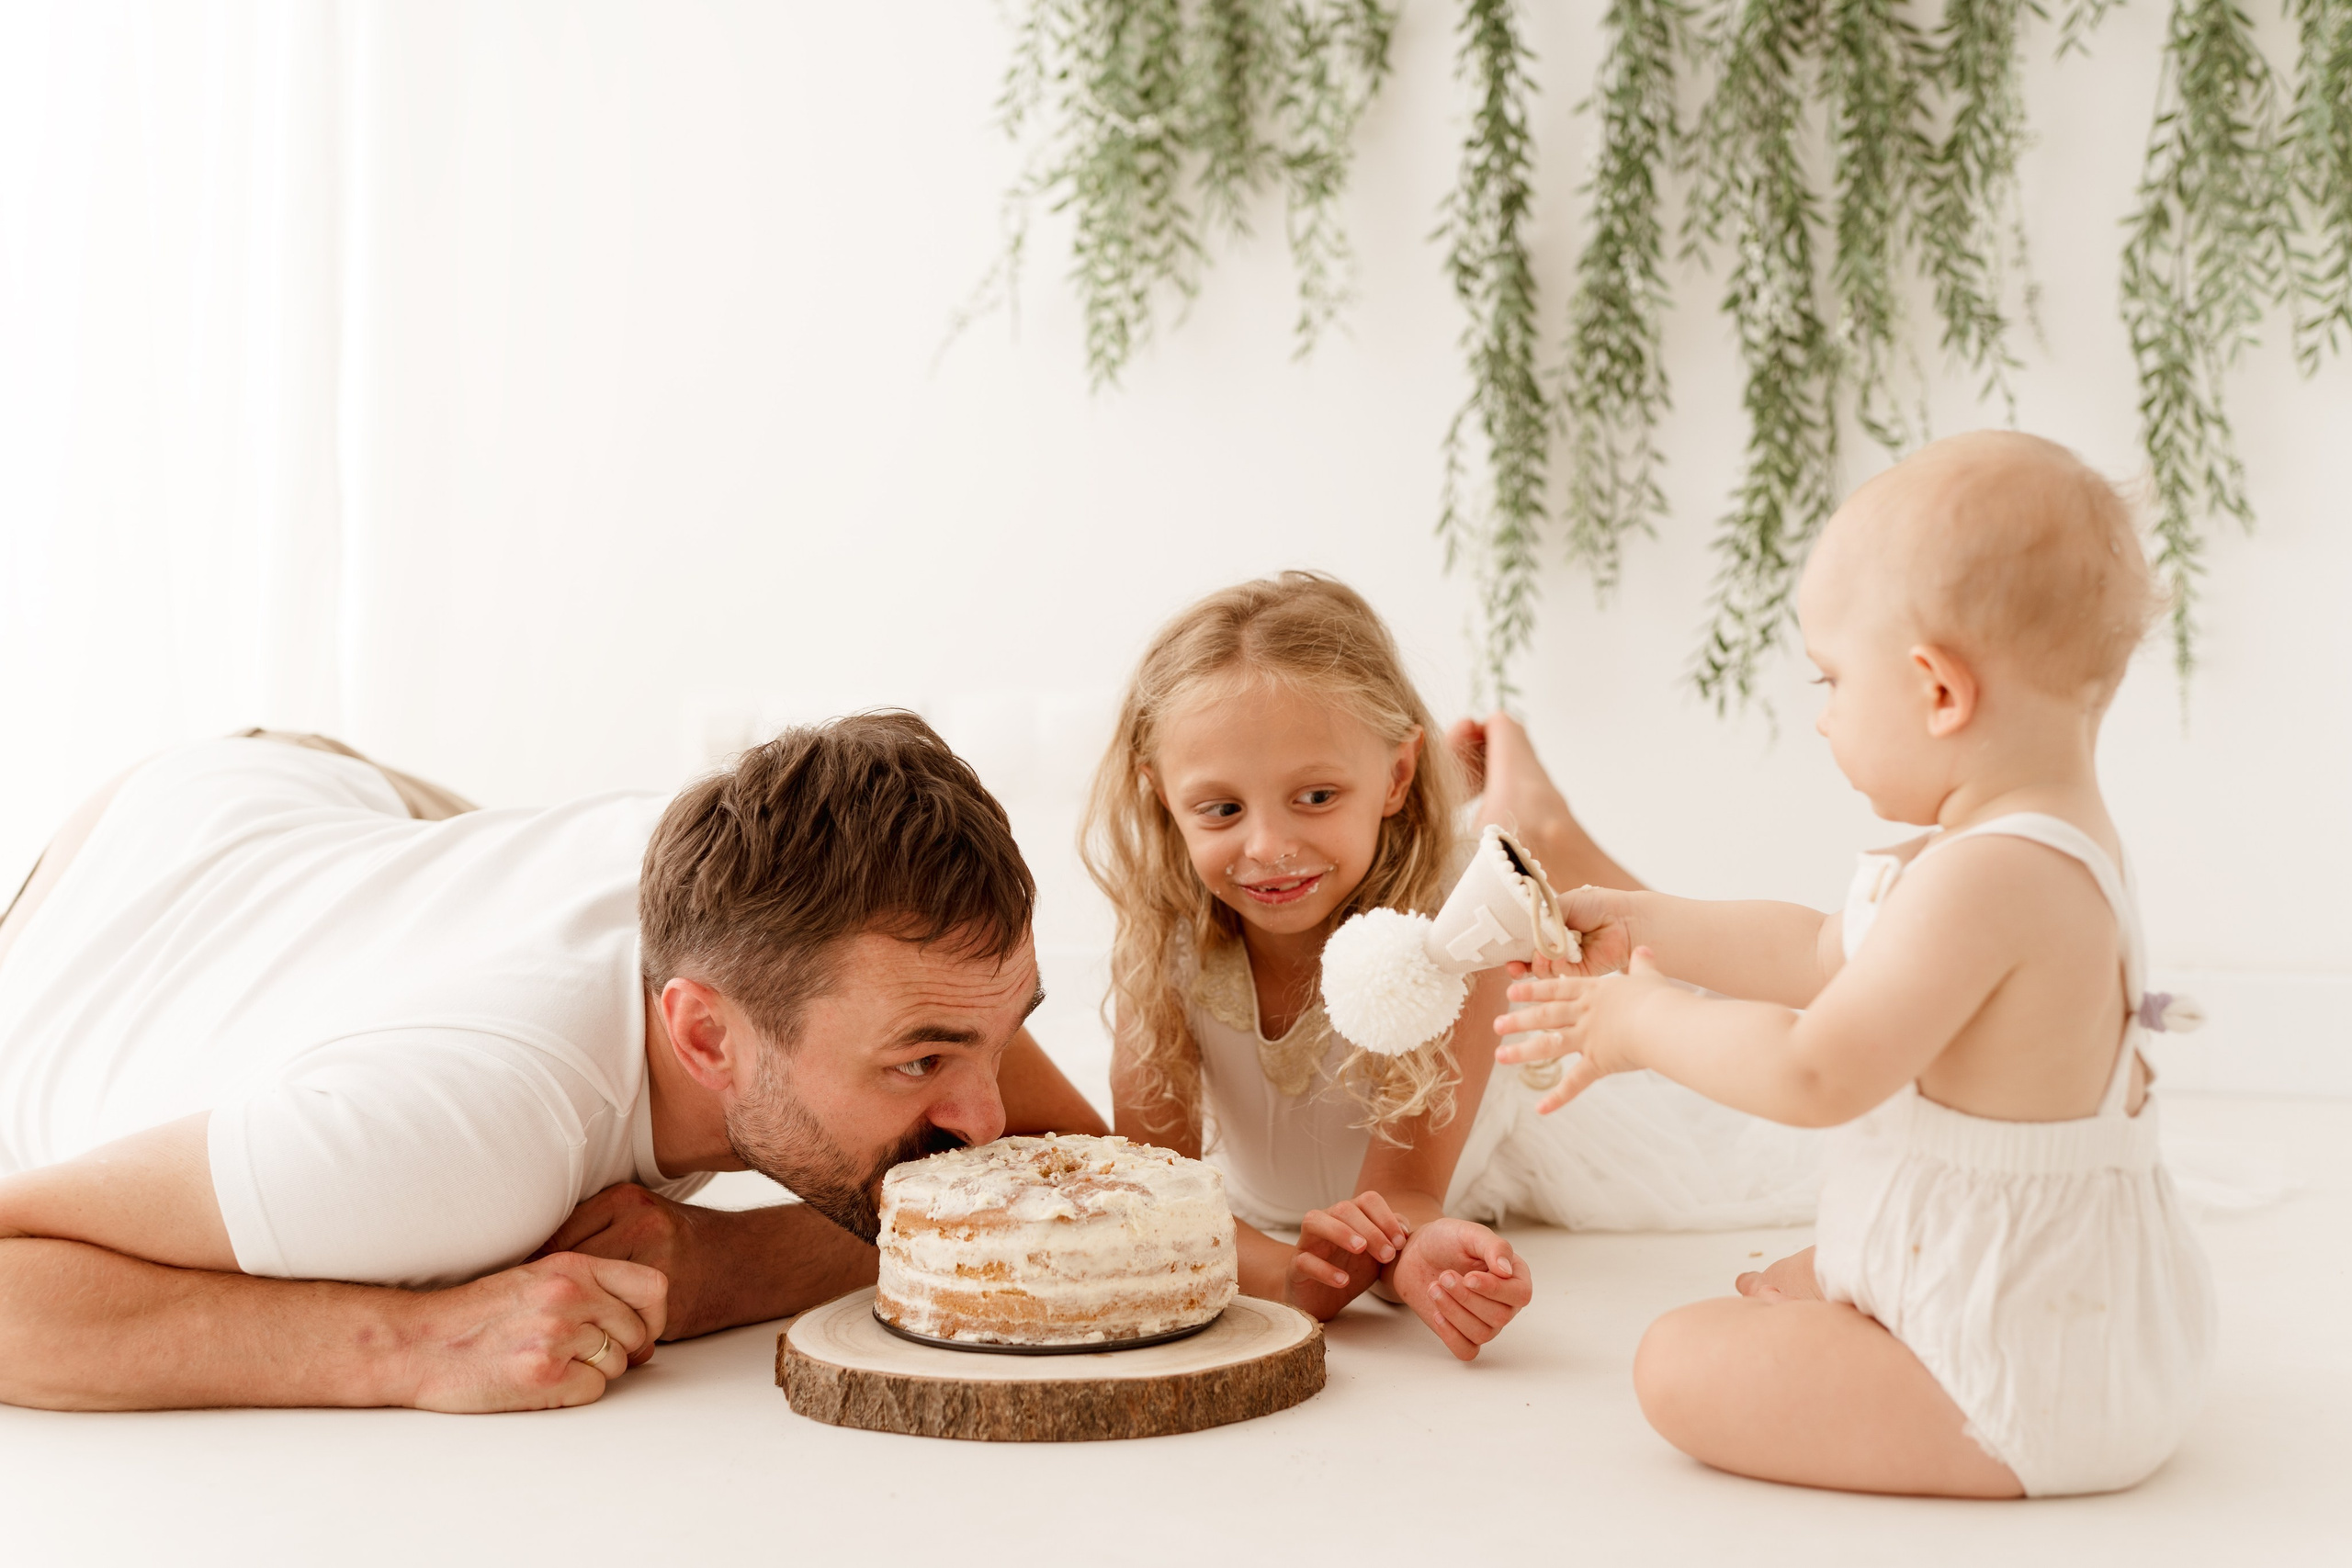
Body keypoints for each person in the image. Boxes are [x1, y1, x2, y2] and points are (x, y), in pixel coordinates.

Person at [0, 715, 1105, 1412]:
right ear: (706, 1036)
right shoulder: (444, 1155)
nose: (989, 1120)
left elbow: (1082, 1160)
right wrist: (406, 1346)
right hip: (88, 909)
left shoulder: (764, 882)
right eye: (919, 1062)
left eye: (997, 1036)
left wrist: (727, 1266)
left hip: (311, 788)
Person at [1498, 431, 2212, 1496]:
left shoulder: (1996, 876)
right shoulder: (2016, 844)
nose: (1824, 716)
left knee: (1674, 1362)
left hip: (2020, 1378)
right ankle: (1891, 1289)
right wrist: (1638, 919)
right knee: (1780, 1292)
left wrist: (1637, 1022)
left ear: (1935, 693)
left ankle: (1926, 1352)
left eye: (1830, 680)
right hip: (2064, 1314)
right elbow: (1821, 951)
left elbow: (1811, 1071)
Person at [1080, 572, 1821, 1361]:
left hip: (1479, 1124)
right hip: (1279, 1199)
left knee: (1645, 972)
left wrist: (1408, 1261)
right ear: (1160, 794)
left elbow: (1407, 1194)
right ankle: (1509, 814)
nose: (1266, 846)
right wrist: (1289, 1274)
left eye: (1317, 795)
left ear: (1397, 776)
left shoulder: (1452, 925)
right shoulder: (1162, 931)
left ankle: (1531, 826)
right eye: (1222, 809)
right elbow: (1159, 1189)